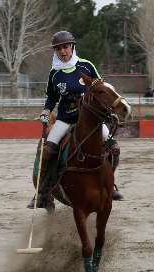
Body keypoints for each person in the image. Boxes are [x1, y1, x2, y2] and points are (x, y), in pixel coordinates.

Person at [27, 31, 123, 210]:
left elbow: (100, 88)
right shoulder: (54, 74)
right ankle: (43, 192)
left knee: (114, 148)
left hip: (90, 120)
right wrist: (46, 111)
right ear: (55, 51)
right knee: (47, 151)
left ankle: (111, 185)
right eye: (58, 49)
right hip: (65, 119)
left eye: (65, 47)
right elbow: (51, 98)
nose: (63, 51)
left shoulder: (86, 66)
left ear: (72, 47)